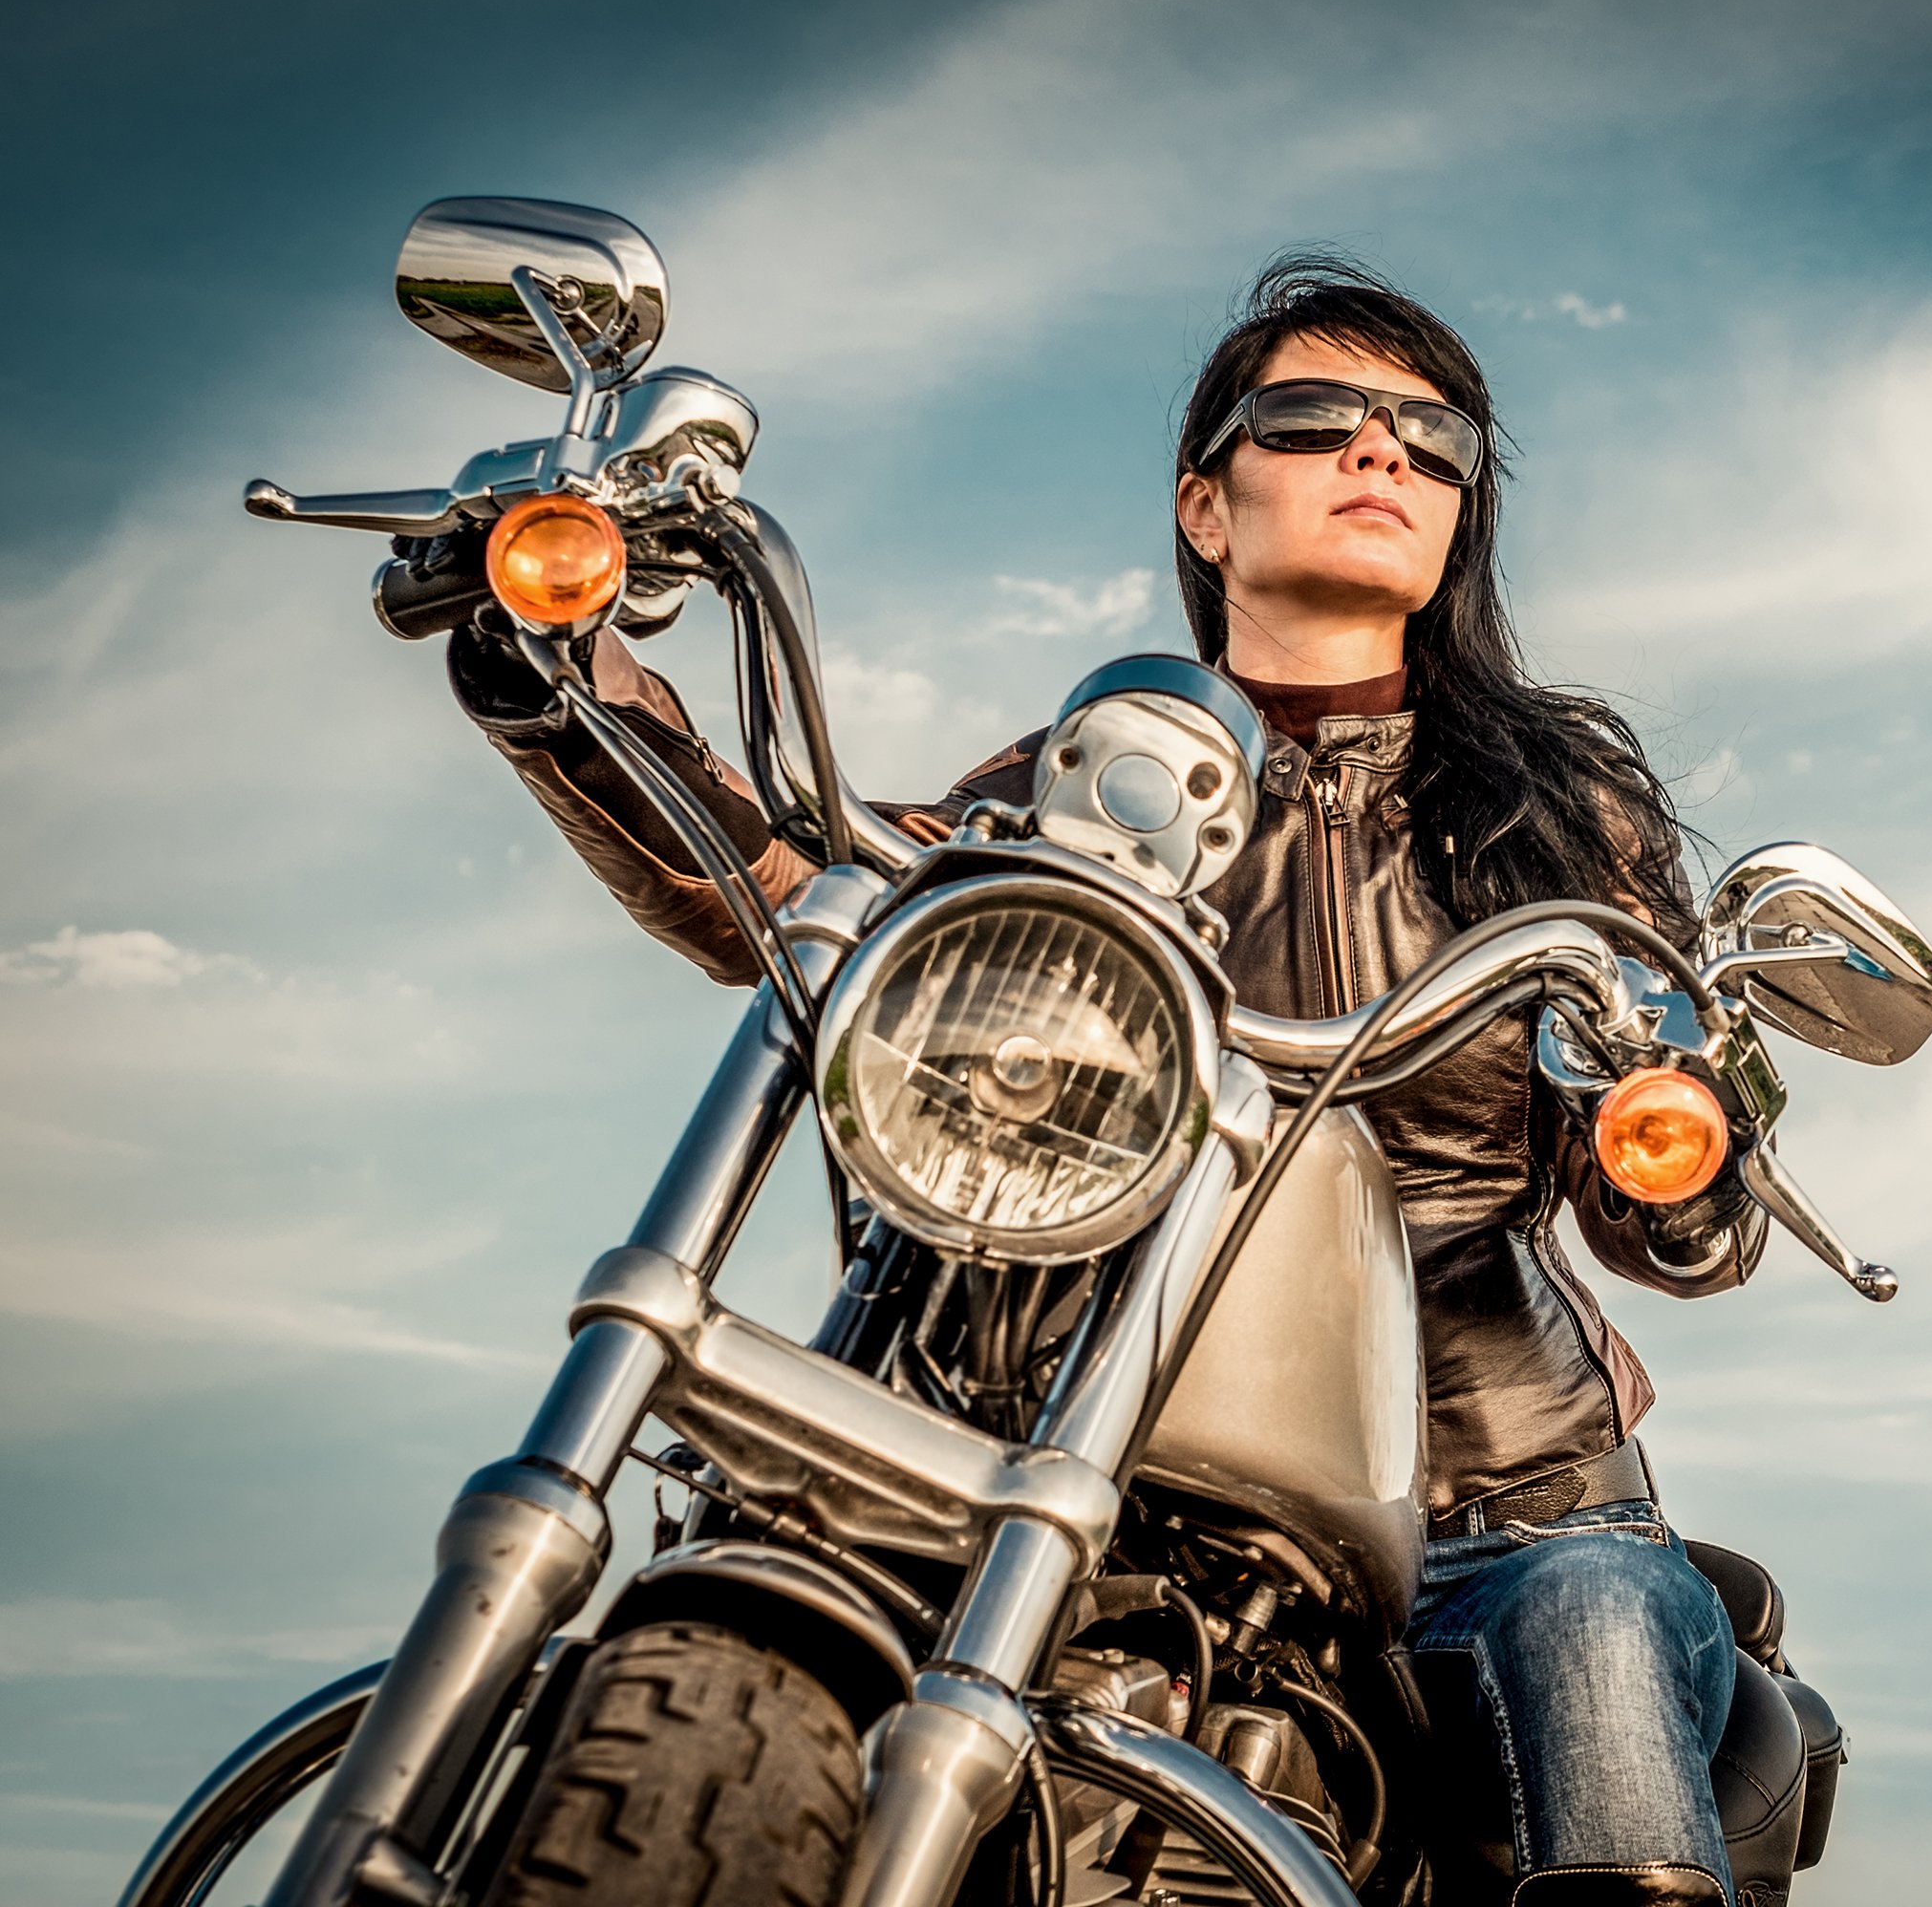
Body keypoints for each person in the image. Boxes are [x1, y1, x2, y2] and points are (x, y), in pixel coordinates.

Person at [442, 255, 1769, 1907]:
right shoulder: (1088, 802)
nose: (1385, 457)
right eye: (1319, 420)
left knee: (1591, 1629)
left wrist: (1687, 1140)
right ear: (1205, 509)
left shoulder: (1559, 816)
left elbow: (1670, 1221)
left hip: (1496, 1503)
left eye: (1434, 444)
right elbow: (798, 898)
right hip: (1096, 1464)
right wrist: (567, 691)